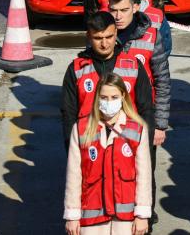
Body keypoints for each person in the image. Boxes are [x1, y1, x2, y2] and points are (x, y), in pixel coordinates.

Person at [64, 73, 153, 235]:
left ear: (123, 97)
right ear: (97, 98)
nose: (109, 102)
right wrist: (72, 216)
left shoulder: (137, 129)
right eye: (104, 97)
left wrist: (142, 215)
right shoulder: (81, 128)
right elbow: (74, 176)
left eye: (114, 97)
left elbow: (144, 177)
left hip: (125, 219)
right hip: (91, 216)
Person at [60, 13, 155, 152]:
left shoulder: (134, 65)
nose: (104, 44)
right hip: (90, 150)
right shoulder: (76, 69)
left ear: (116, 32)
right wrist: (72, 151)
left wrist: (147, 149)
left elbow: (147, 110)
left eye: (109, 37)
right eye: (98, 38)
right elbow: (68, 114)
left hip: (128, 149)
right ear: (88, 36)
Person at [107, 0, 170, 154]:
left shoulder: (152, 36)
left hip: (143, 118)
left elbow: (162, 82)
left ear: (135, 8)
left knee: (145, 175)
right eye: (113, 10)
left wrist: (160, 125)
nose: (118, 16)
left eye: (124, 10)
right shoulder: (102, 36)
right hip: (109, 120)